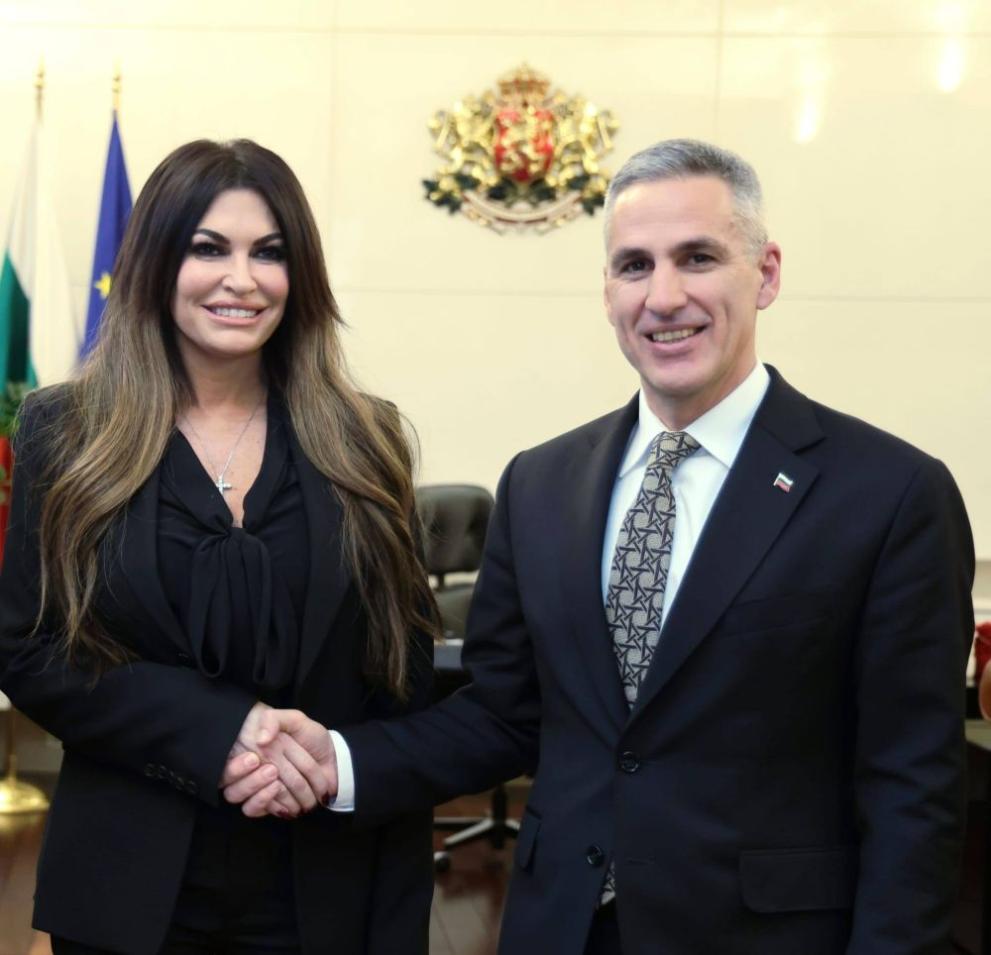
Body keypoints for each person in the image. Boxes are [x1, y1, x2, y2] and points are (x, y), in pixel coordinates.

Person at [224, 139, 976, 954]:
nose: (663, 296)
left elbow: (912, 783)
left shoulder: (889, 494)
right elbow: (501, 714)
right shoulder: (541, 484)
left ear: (764, 274)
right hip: (560, 926)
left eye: (697, 258)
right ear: (608, 290)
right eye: (633, 265)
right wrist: (337, 760)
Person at [0, 139, 439, 954]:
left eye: (268, 252)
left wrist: (331, 764)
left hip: (327, 884)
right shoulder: (66, 431)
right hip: (125, 890)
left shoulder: (367, 437)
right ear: (156, 262)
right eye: (209, 248)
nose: (242, 279)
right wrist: (220, 729)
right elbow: (29, 649)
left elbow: (401, 674)